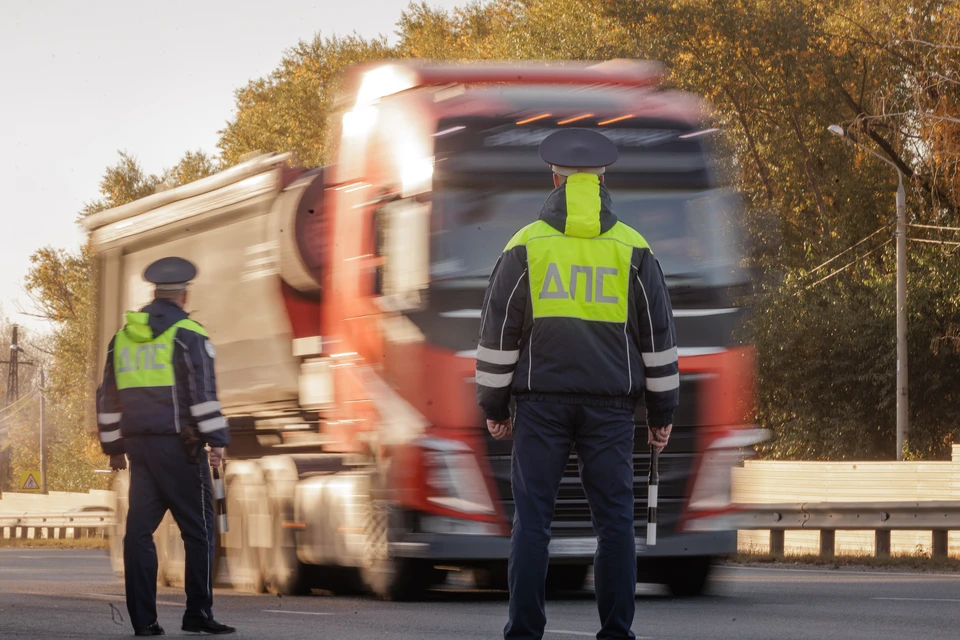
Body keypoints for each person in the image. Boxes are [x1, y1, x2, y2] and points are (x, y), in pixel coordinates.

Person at [476, 128, 679, 640]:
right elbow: (659, 340)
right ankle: (616, 633)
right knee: (615, 525)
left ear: (555, 177)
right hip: (610, 409)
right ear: (603, 177)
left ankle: (524, 632)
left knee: (533, 523)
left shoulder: (525, 246)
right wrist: (662, 413)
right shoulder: (634, 248)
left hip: (540, 405)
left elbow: (498, 336)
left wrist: (494, 406)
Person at [96, 257, 235, 636]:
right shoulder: (190, 333)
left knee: (139, 533)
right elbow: (203, 395)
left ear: (154, 294)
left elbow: (107, 397)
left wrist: (114, 446)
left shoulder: (122, 339)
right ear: (184, 294)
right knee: (200, 531)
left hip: (140, 450)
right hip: (181, 450)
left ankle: (144, 621)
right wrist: (217, 441)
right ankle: (197, 614)